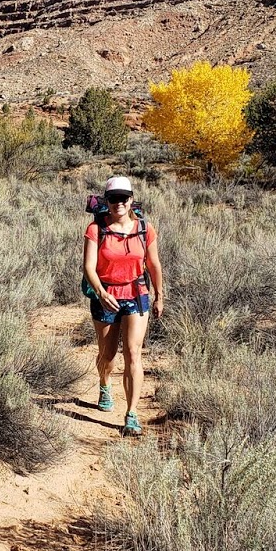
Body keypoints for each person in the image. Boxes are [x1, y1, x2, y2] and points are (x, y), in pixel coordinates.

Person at [83, 175, 164, 437]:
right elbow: (88, 267)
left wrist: (159, 294)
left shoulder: (144, 228)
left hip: (136, 291)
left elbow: (153, 264)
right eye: (113, 198)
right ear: (106, 201)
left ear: (131, 200)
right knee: (107, 355)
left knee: (133, 352)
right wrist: (100, 292)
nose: (118, 203)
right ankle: (105, 383)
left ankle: (131, 414)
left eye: (123, 198)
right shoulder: (96, 229)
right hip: (106, 293)